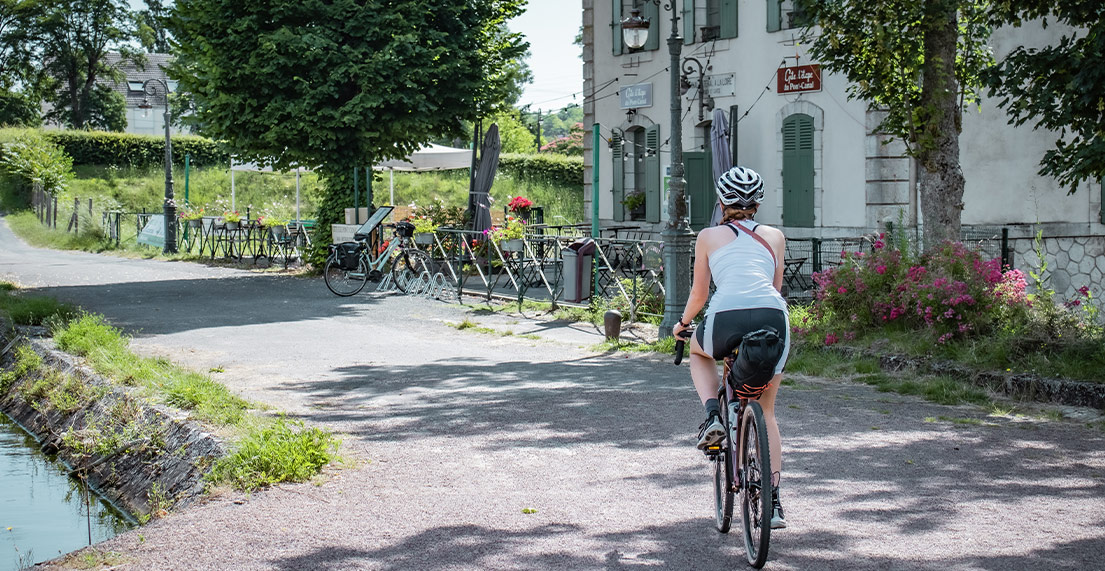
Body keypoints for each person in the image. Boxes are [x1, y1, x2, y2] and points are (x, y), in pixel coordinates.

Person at [672, 166, 790, 529]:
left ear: (721, 201)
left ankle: (712, 415)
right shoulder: (775, 236)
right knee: (766, 411)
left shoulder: (708, 236)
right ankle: (773, 503)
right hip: (773, 317)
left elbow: (699, 294)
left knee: (697, 351)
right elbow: (775, 285)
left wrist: (682, 324)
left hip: (726, 317)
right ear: (758, 202)